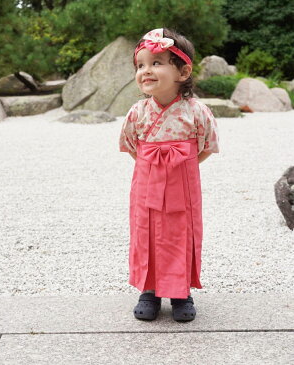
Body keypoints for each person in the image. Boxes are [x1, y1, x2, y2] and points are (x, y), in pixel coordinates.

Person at [119, 28, 219, 322]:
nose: (146, 71)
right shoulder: (137, 113)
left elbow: (206, 148)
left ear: (183, 71)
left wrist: (182, 164)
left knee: (181, 233)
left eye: (156, 63)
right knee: (145, 231)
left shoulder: (196, 112)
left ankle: (180, 292)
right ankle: (148, 290)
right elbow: (132, 148)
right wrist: (154, 165)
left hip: (183, 184)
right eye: (141, 65)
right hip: (146, 183)